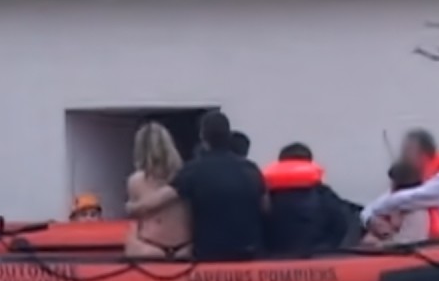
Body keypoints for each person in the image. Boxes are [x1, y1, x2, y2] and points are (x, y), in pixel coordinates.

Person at [125, 111, 267, 262]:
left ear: (203, 138)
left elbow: (160, 199)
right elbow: (266, 207)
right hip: (249, 250)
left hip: (209, 252)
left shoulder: (193, 172)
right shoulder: (251, 169)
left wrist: (131, 207)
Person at [359, 128, 439, 239]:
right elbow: (369, 210)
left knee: (417, 213)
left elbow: (399, 200)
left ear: (425, 155)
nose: (403, 156)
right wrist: (371, 221)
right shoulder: (410, 183)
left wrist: (378, 209)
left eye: (408, 151)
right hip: (415, 244)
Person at [262, 142, 351, 256]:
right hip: (315, 258)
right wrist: (326, 248)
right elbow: (340, 225)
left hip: (274, 261)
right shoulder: (324, 194)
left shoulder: (266, 195)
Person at [124, 122, 192, 258]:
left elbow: (138, 212)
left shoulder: (136, 180)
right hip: (180, 245)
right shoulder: (187, 175)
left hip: (152, 244)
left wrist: (131, 207)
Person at [362, 161, 436, 246]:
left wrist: (377, 244)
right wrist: (373, 222)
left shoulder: (417, 211)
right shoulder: (393, 201)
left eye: (393, 182)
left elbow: (408, 244)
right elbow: (369, 211)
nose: (391, 186)